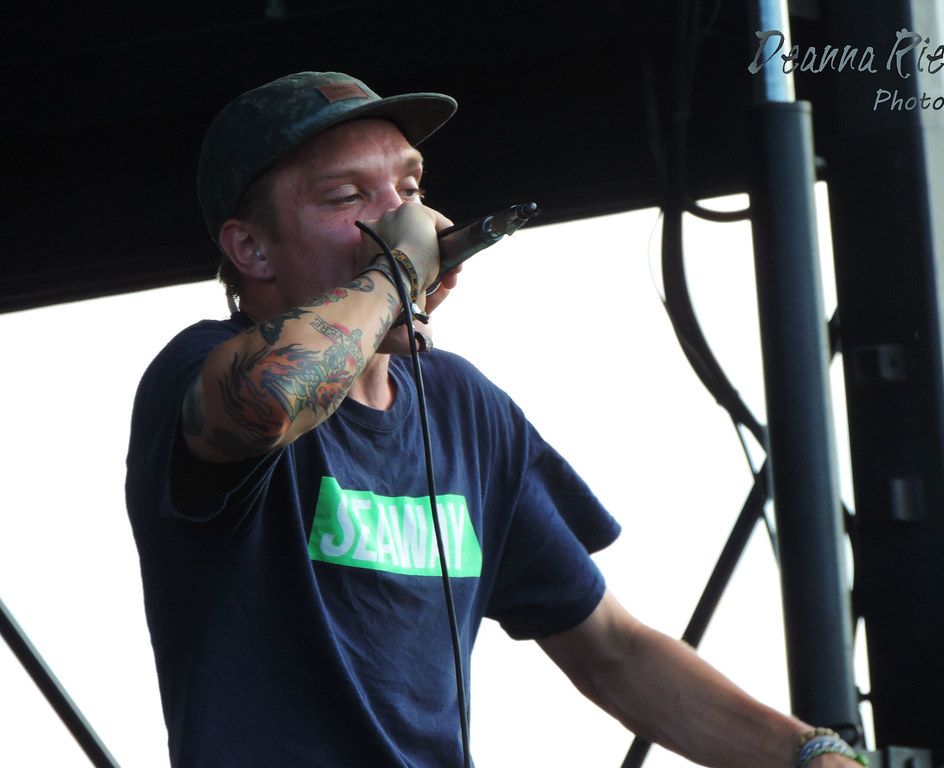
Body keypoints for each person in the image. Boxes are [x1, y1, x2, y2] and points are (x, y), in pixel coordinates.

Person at [126, 71, 865, 768]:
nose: (406, 219)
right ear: (251, 248)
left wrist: (808, 754)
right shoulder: (198, 369)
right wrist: (395, 273)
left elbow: (611, 648)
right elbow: (269, 402)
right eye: (348, 196)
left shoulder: (463, 409)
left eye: (411, 187)